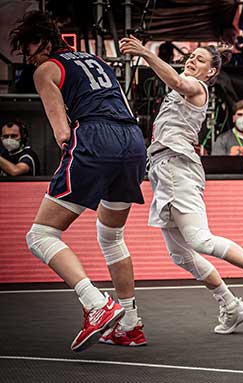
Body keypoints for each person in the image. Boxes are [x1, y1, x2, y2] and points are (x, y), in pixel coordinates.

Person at [119, 35, 243, 334]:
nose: (192, 60)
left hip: (177, 166)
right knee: (180, 254)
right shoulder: (181, 86)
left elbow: (175, 79)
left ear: (210, 72)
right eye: (191, 56)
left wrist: (144, 54)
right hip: (162, 169)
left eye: (200, 59)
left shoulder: (196, 88)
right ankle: (231, 304)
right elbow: (174, 79)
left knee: (200, 240)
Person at [10, 11, 147, 351]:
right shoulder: (94, 59)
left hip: (96, 137)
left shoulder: (47, 69)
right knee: (111, 234)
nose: (30, 61)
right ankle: (129, 324)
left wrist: (73, 157)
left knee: (40, 235)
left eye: (29, 52)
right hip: (133, 140)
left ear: (43, 42)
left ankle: (95, 303)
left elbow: (61, 132)